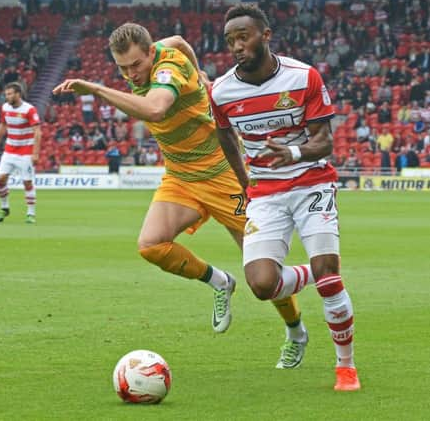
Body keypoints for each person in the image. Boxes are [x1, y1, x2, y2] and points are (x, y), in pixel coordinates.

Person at [53, 24, 312, 346]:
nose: (131, 74)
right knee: (151, 245)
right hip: (181, 176)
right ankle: (219, 282)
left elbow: (156, 109)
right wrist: (201, 73)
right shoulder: (154, 52)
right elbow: (178, 39)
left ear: (150, 53)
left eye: (136, 65)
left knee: (262, 272)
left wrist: (97, 89)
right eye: (122, 68)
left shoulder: (169, 68)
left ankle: (295, 330)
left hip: (223, 173)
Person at [210, 4, 360, 391]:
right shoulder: (222, 90)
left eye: (243, 37)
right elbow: (224, 134)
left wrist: (292, 154)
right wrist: (246, 181)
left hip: (311, 182)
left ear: (265, 35)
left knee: (331, 281)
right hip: (266, 193)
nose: (237, 46)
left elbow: (325, 142)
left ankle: (346, 367)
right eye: (230, 41)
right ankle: (315, 271)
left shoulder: (303, 76)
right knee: (261, 285)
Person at [0, 82, 41, 224]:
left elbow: (37, 132)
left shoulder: (29, 110)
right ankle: (4, 208)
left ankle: (31, 213)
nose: (7, 97)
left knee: (27, 182)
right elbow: (3, 125)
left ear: (18, 94)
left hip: (26, 151)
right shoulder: (5, 108)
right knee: (1, 179)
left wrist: (35, 153)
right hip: (10, 149)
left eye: (10, 94)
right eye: (6, 94)